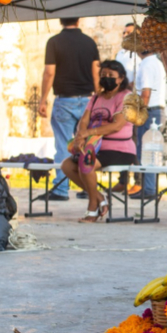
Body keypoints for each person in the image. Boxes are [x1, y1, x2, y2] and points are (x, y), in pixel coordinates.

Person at [60, 61, 136, 223]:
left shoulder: (126, 97)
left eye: (111, 76)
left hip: (119, 148)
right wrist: (80, 136)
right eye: (103, 75)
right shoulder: (96, 98)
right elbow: (84, 119)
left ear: (121, 78)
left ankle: (92, 207)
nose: (106, 78)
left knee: (86, 164)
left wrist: (89, 132)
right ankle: (100, 197)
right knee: (67, 165)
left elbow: (117, 125)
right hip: (95, 146)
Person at [37, 18, 99, 200]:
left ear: (61, 21)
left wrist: (43, 99)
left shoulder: (54, 42)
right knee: (89, 146)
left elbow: (49, 72)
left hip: (65, 100)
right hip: (88, 100)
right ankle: (89, 188)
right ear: (78, 21)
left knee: (64, 144)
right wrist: (97, 99)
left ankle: (61, 189)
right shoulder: (89, 42)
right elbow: (96, 71)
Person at [132, 46, 167, 201]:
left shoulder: (146, 64)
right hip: (157, 110)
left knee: (146, 151)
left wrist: (139, 114)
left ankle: (149, 189)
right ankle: (149, 188)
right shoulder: (157, 62)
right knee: (151, 152)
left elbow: (145, 93)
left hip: (149, 111)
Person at [111, 23, 143, 194]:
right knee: (122, 140)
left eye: (129, 33)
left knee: (135, 142)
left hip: (133, 104)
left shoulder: (140, 55)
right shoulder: (120, 53)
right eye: (123, 32)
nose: (124, 35)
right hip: (120, 103)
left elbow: (139, 81)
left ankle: (138, 181)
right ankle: (123, 180)